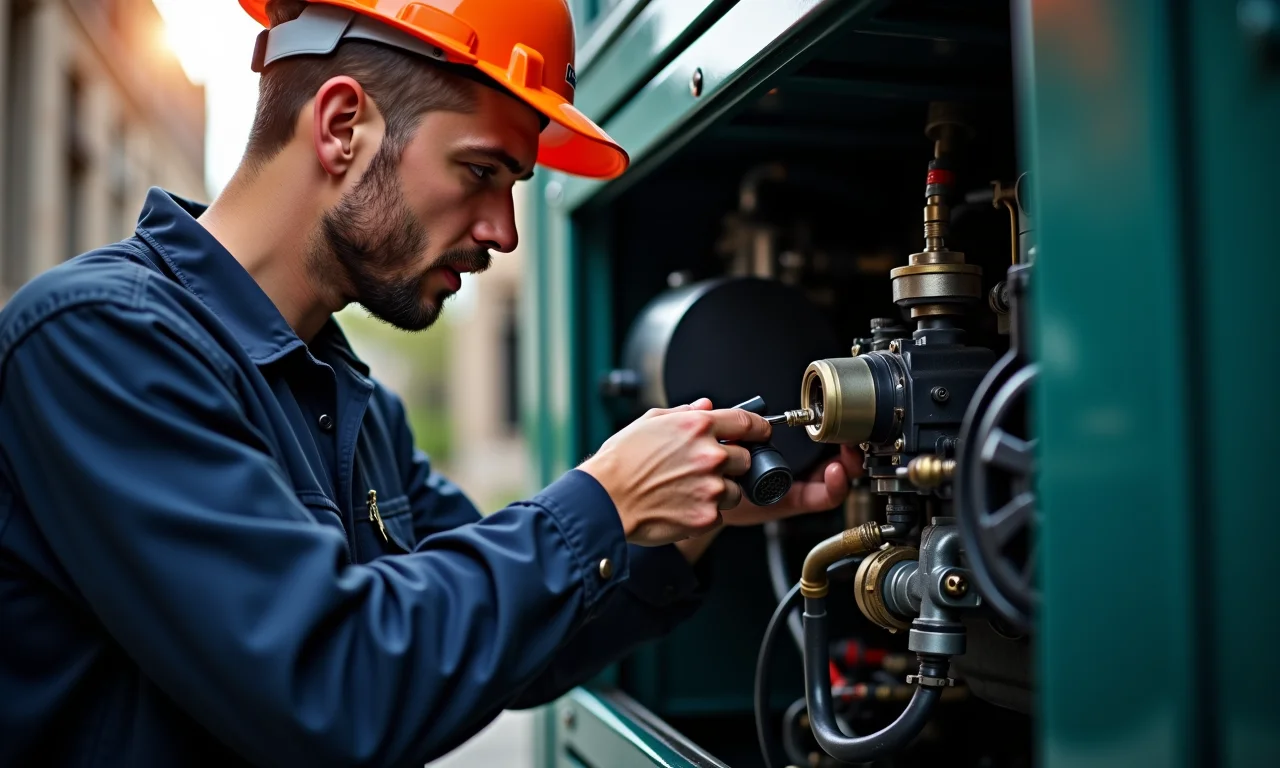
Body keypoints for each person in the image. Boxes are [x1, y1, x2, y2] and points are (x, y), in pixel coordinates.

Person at [0, 1, 860, 765]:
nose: (505, 232)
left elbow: (496, 649)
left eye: (516, 187)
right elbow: (334, 690)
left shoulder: (352, 404)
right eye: (482, 172)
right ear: (342, 126)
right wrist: (604, 500)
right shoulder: (97, 341)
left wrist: (687, 518)